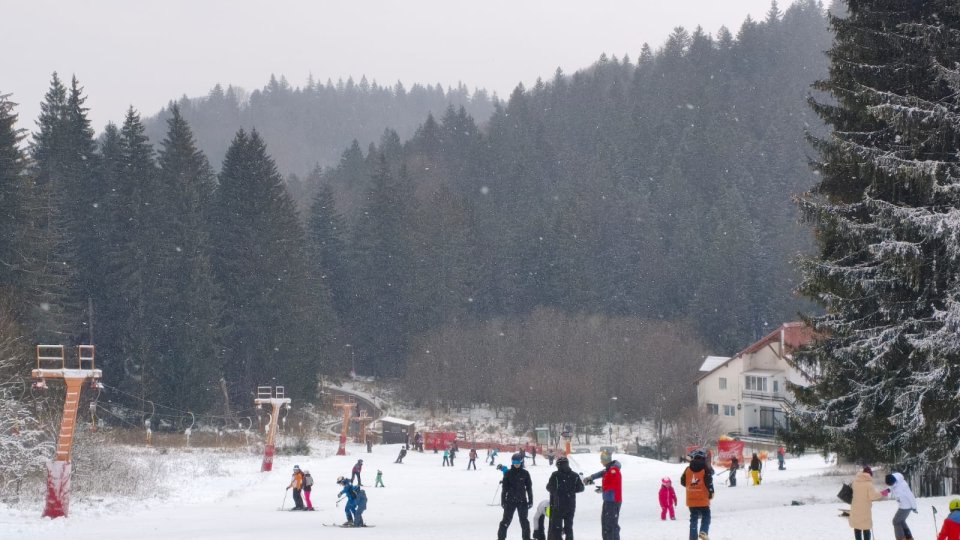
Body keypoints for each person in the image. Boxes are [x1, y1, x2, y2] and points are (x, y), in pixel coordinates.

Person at [584, 450, 622, 540]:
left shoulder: (614, 470)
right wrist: (591, 477)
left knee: (611, 525)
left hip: (613, 501)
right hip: (608, 500)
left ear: (606, 460)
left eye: (602, 460)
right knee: (605, 523)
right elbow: (601, 473)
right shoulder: (608, 469)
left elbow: (614, 484)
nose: (601, 462)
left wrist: (603, 489)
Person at [546, 455, 584, 540]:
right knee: (568, 528)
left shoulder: (555, 475)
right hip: (570, 506)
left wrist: (556, 491)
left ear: (558, 465)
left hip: (558, 505)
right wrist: (571, 490)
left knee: (557, 529)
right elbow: (581, 488)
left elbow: (549, 487)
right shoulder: (575, 475)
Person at [497, 453, 534, 540]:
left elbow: (529, 488)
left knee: (524, 521)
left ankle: (526, 538)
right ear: (512, 462)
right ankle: (500, 538)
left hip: (522, 501)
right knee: (505, 521)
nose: (516, 464)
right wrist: (503, 501)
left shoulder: (525, 473)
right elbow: (504, 489)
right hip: (510, 501)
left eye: (517, 461)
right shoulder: (508, 473)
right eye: (514, 462)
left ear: (521, 462)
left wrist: (531, 500)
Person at [680, 450, 714, 540]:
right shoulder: (705, 469)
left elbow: (682, 482)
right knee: (706, 515)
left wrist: (692, 487)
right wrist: (711, 492)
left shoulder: (687, 469)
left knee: (693, 518)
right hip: (702, 498)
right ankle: (703, 531)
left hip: (691, 499)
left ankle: (693, 538)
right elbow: (709, 482)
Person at [849, 466, 883, 540]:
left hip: (855, 508)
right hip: (865, 510)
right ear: (869, 474)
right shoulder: (868, 484)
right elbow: (873, 496)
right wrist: (884, 492)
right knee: (866, 528)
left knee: (857, 527)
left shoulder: (855, 482)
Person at [882, 472, 917, 540]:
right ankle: (909, 538)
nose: (891, 485)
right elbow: (893, 486)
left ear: (893, 481)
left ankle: (901, 538)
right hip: (903, 505)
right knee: (901, 521)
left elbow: (910, 496)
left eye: (891, 484)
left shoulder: (903, 485)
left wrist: (914, 507)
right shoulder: (895, 481)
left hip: (906, 506)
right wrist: (887, 490)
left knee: (895, 521)